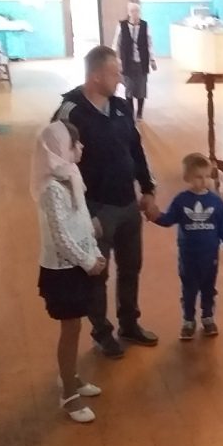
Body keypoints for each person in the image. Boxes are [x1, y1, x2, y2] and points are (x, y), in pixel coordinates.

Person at [54, 46, 160, 358]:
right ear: (97, 76)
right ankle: (102, 332)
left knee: (131, 268)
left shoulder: (121, 106)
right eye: (115, 73)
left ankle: (129, 324)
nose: (121, 79)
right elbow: (58, 166)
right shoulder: (71, 111)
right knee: (97, 274)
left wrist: (147, 188)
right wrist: (79, 214)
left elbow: (135, 149)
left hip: (127, 204)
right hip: (95, 209)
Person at [32, 121, 106, 424]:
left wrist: (95, 250)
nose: (82, 147)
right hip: (63, 270)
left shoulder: (71, 175)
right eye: (76, 143)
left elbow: (83, 222)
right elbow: (60, 237)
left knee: (76, 326)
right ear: (61, 148)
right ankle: (69, 396)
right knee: (71, 328)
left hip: (80, 263)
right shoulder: (52, 189)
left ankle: (70, 376)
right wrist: (88, 261)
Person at [150, 153, 223, 339]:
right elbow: (169, 219)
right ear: (187, 178)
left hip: (210, 256)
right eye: (198, 177)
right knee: (189, 289)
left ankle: (208, 317)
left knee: (208, 288)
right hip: (188, 256)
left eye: (207, 176)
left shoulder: (216, 202)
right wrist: (155, 216)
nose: (203, 181)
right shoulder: (181, 201)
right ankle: (188, 320)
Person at [112, 2, 156, 120]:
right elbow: (116, 43)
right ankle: (130, 113)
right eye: (132, 11)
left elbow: (149, 43)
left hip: (142, 61)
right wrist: (116, 59)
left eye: (137, 11)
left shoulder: (145, 25)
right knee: (129, 88)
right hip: (127, 62)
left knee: (141, 88)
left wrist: (152, 59)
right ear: (128, 12)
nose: (135, 13)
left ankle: (139, 113)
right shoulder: (122, 25)